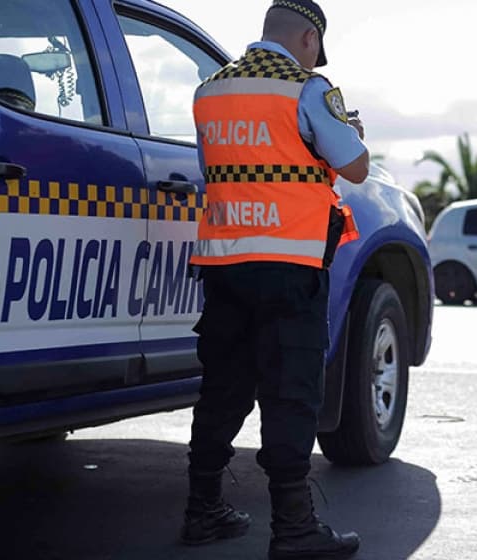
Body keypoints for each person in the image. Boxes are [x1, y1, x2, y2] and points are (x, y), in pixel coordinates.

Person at [182, 2, 367, 559]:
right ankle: (294, 529)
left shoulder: (209, 89)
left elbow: (215, 164)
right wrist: (349, 129)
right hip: (289, 264)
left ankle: (202, 511)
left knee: (222, 388)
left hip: (224, 261)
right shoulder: (307, 87)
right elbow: (355, 165)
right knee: (291, 393)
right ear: (308, 38)